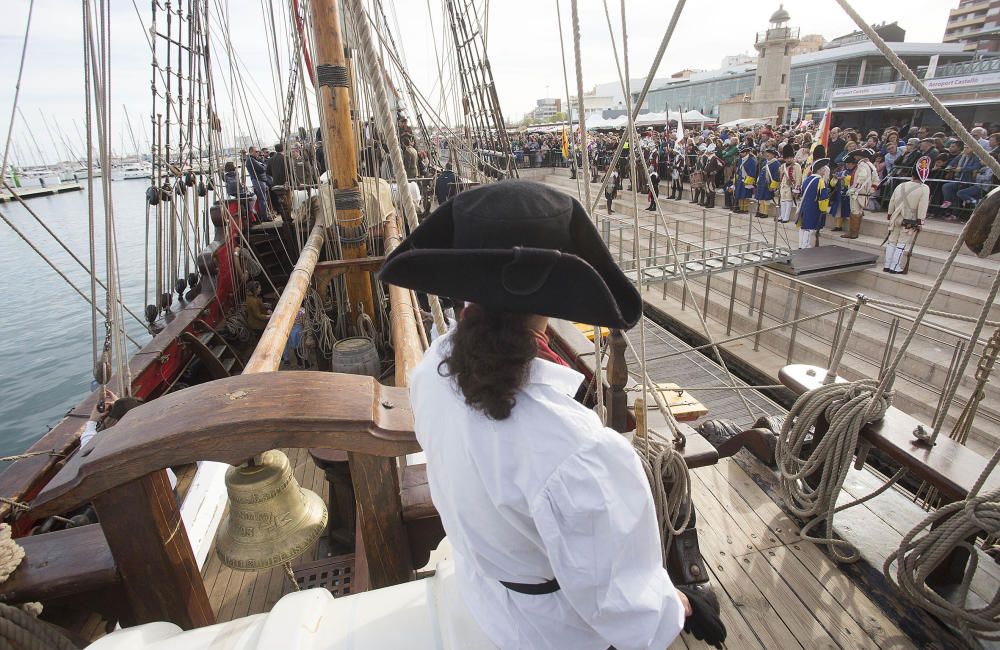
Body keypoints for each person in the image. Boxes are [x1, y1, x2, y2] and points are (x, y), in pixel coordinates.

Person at [379, 181, 726, 650]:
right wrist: (678, 607)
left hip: (484, 593)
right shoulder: (580, 449)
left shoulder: (430, 374)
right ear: (556, 292)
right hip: (550, 633)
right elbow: (626, 610)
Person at [82, 390, 178, 490]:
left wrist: (92, 422)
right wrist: (121, 403)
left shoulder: (119, 442)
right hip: (170, 486)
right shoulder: (152, 427)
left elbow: (87, 449)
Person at [884, 160, 929, 273]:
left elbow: (892, 202)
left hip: (895, 217)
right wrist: (920, 222)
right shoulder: (924, 188)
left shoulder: (901, 185)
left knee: (892, 241)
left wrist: (890, 215)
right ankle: (894, 267)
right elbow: (922, 207)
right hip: (910, 219)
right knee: (901, 243)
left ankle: (887, 265)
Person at [796, 158, 830, 249]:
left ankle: (801, 244)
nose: (824, 170)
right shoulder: (820, 181)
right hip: (813, 206)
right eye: (823, 168)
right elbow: (823, 196)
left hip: (804, 205)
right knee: (809, 227)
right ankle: (805, 245)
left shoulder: (807, 179)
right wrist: (823, 209)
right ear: (818, 170)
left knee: (803, 226)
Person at [844, 148, 877, 239]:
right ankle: (854, 232)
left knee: (855, 212)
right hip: (864, 193)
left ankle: (853, 233)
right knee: (859, 212)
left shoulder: (862, 164)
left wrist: (854, 189)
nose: (855, 157)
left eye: (856, 155)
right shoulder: (871, 165)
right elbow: (876, 180)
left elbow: (861, 178)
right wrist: (871, 190)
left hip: (858, 193)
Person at [778, 144, 802, 224]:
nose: (788, 160)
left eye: (790, 158)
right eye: (786, 158)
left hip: (791, 186)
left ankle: (786, 216)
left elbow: (798, 178)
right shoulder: (783, 166)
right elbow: (780, 176)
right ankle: (782, 215)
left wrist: (796, 188)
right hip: (783, 185)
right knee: (782, 200)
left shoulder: (797, 166)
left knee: (788, 200)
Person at [245, 148, 271, 221]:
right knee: (262, 199)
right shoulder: (251, 160)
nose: (258, 153)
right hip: (258, 180)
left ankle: (266, 215)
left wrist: (261, 161)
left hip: (260, 180)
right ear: (251, 152)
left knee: (264, 198)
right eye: (256, 151)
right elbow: (262, 169)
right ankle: (265, 217)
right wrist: (264, 165)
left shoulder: (254, 160)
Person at [267, 143, 291, 221]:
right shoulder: (285, 158)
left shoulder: (271, 159)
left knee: (281, 201)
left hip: (275, 184)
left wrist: (274, 176)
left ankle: (284, 218)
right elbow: (290, 171)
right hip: (285, 183)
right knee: (287, 201)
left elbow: (268, 172)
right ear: (283, 149)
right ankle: (288, 218)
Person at [754, 147, 780, 219]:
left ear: (773, 155)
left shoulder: (776, 163)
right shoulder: (765, 162)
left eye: (769, 153)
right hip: (761, 183)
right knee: (761, 199)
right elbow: (761, 172)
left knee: (766, 199)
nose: (767, 154)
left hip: (768, 184)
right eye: (767, 153)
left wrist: (773, 186)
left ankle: (765, 213)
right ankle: (761, 211)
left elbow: (776, 176)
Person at [734, 145, 756, 214]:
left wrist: (747, 181)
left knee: (745, 195)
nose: (740, 154)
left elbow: (752, 172)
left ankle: (745, 209)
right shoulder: (740, 159)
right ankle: (741, 208)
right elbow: (739, 170)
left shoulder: (752, 160)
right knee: (740, 195)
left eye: (742, 152)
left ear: (746, 152)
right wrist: (736, 179)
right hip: (740, 179)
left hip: (747, 180)